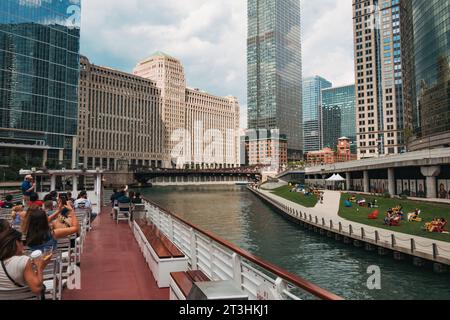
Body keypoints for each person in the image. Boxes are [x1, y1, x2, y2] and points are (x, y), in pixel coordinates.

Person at [0, 228, 51, 295]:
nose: (23, 245)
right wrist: (40, 267)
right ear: (16, 243)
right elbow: (37, 289)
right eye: (21, 241)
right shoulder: (23, 260)